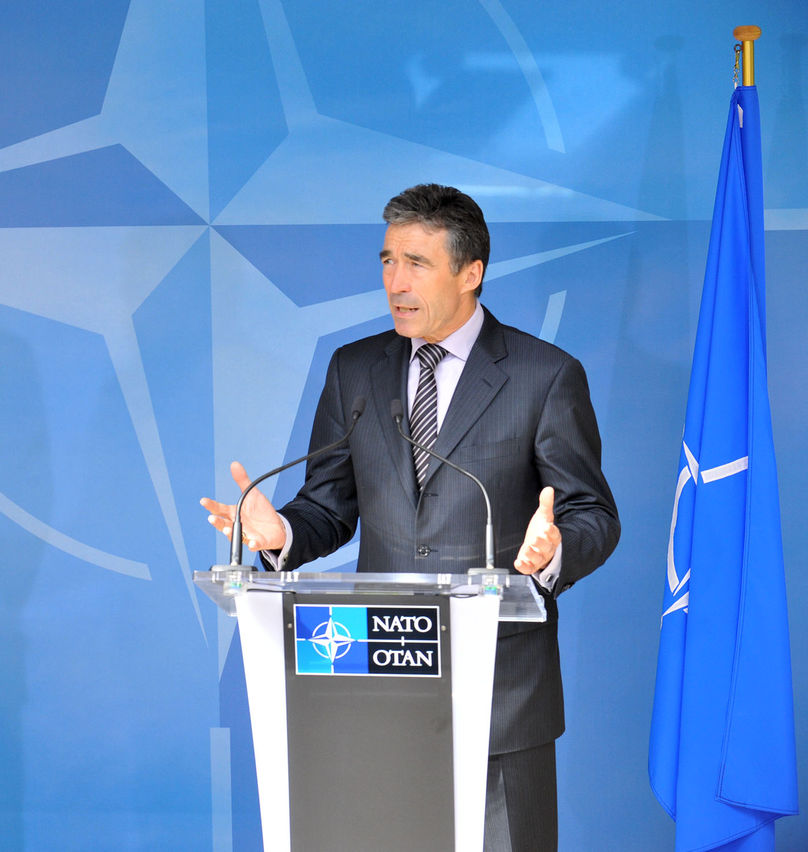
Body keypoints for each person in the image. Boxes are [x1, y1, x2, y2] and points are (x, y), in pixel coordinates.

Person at [201, 183, 619, 852]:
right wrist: (282, 533)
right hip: (378, 689)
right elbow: (327, 507)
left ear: (471, 272)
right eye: (388, 260)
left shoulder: (544, 376)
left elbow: (593, 513)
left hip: (499, 699)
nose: (396, 282)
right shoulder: (355, 370)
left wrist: (556, 549)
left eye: (417, 263)